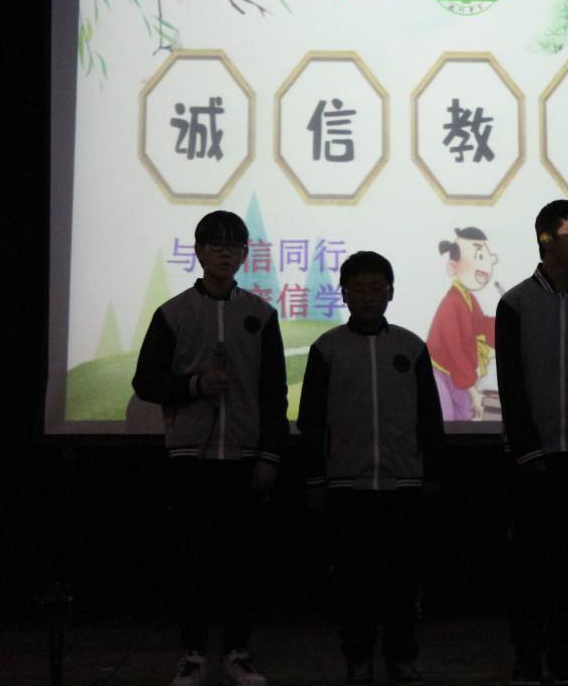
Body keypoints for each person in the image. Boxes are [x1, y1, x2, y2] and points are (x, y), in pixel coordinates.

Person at [132, 210, 288, 686]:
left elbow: (274, 392)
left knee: (244, 563)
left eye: (234, 246)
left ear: (244, 255)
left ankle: (238, 653)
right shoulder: (173, 313)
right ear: (198, 252)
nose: (225, 253)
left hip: (243, 457)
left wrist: (269, 455)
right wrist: (195, 385)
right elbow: (146, 381)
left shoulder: (261, 315)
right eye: (216, 245)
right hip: (190, 458)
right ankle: (193, 654)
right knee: (192, 562)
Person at [297, 251, 445, 685]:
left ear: (390, 293)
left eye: (376, 287)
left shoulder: (411, 346)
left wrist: (433, 474)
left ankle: (401, 657)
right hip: (348, 484)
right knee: (353, 583)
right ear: (343, 294)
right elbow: (311, 420)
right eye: (357, 288)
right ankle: (358, 659)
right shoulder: (326, 348)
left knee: (403, 582)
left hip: (404, 483)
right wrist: (314, 478)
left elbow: (430, 417)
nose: (367, 296)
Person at [495, 199, 568, 686]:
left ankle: (564, 654)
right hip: (534, 458)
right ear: (546, 239)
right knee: (530, 565)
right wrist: (528, 449)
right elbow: (510, 382)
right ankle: (527, 656)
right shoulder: (516, 302)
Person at [427, 226, 498, 421]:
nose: (488, 263)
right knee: (446, 419)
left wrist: (509, 321)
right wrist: (473, 390)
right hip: (439, 371)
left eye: (486, 256)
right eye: (479, 257)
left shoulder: (467, 298)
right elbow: (454, 350)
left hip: (457, 373)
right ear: (453, 267)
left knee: (466, 417)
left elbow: (482, 326)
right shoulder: (451, 303)